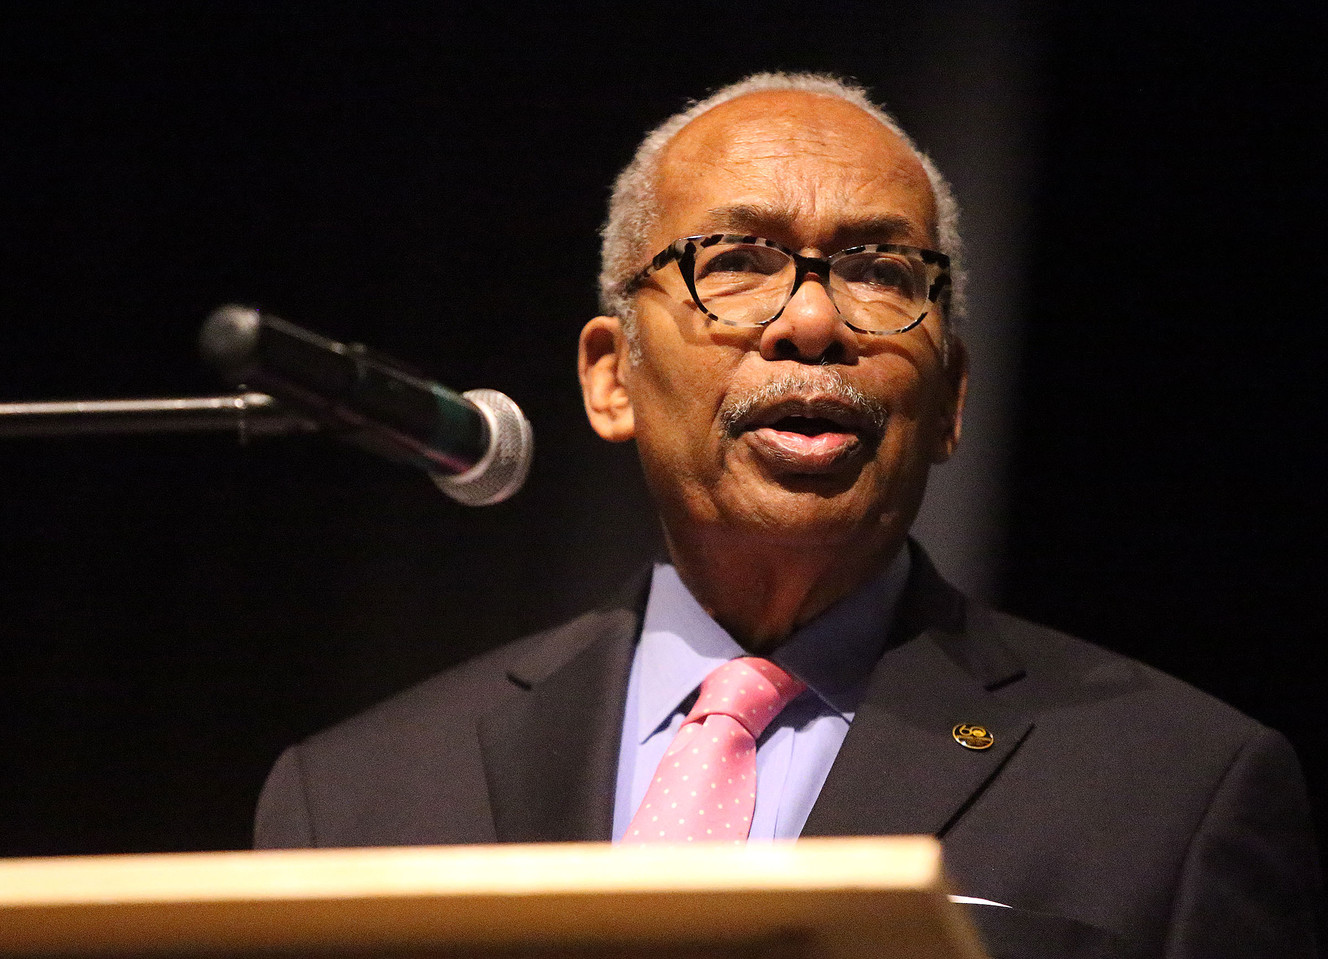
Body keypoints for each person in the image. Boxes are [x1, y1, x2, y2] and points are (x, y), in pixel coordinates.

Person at [253, 73, 1322, 957]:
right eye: (737, 262)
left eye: (876, 271)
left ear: (949, 396)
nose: (811, 320)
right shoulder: (353, 799)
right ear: (609, 375)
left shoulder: (1175, 792)